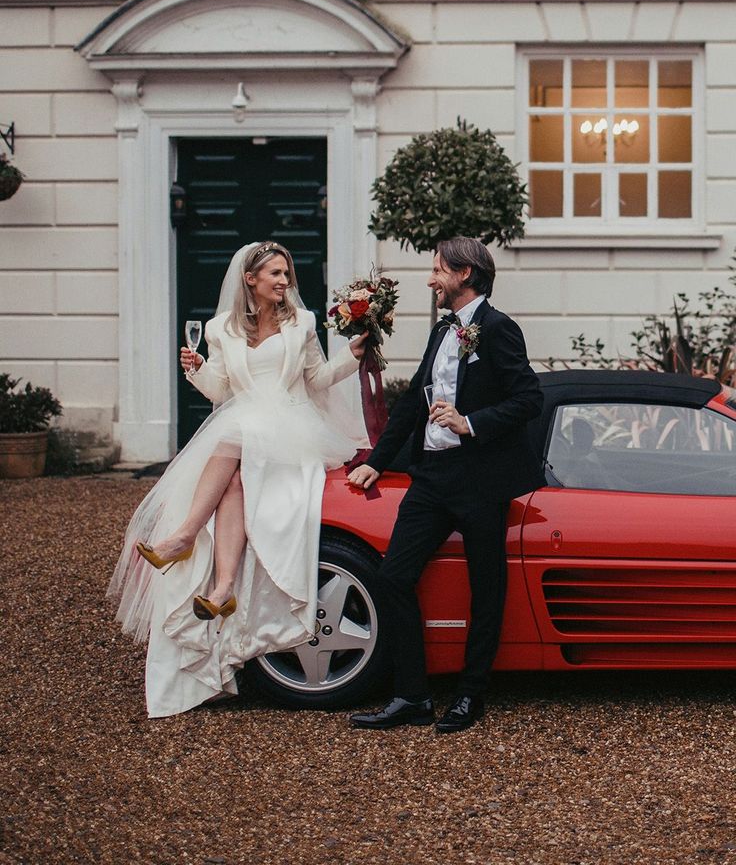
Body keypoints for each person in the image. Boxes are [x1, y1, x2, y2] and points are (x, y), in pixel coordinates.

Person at [108, 241, 368, 718]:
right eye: (274, 273)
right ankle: (223, 588)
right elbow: (223, 392)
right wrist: (198, 372)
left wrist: (352, 354)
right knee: (232, 482)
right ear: (250, 279)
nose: (284, 280)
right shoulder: (220, 329)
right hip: (245, 428)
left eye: (286, 272)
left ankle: (185, 534)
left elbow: (318, 378)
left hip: (291, 430)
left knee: (234, 444)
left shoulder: (302, 324)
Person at [347, 236, 544, 734]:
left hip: (479, 480)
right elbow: (416, 398)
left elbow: (528, 398)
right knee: (393, 577)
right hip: (431, 478)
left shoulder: (499, 329)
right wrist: (378, 460)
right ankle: (411, 696)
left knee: (486, 587)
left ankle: (470, 695)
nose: (431, 278)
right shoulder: (443, 330)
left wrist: (469, 422)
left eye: (438, 270)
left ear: (465, 275)